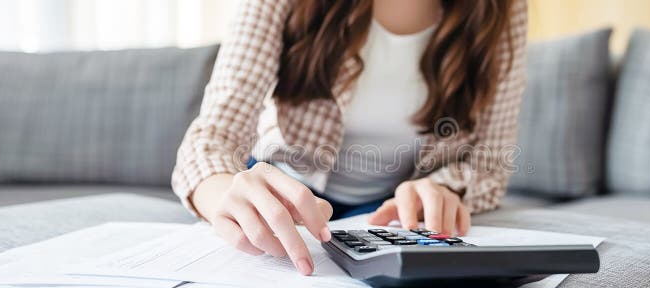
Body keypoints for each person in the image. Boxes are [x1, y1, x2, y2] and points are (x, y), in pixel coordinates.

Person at [172, 0, 527, 276]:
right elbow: (211, 138)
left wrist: (442, 187)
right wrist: (224, 195)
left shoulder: (501, 12)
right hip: (279, 189)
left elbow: (490, 163)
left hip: (389, 212)